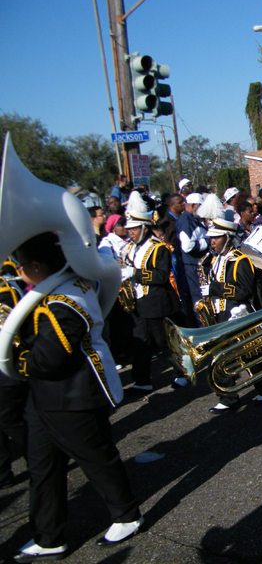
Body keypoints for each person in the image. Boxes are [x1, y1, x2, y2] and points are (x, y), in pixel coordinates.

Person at [9, 232, 143, 562]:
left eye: (22, 266)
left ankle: (126, 515)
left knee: (96, 458)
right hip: (47, 395)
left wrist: (14, 353)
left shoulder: (64, 299)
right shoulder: (62, 284)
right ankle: (48, 535)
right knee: (42, 467)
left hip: (75, 393)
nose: (19, 272)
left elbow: (48, 359)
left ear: (38, 265)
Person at [202, 218, 262, 412]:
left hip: (238, 315)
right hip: (220, 314)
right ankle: (228, 398)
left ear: (227, 238)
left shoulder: (241, 260)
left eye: (216, 238)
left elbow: (245, 291)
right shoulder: (214, 260)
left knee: (250, 357)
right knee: (220, 356)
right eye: (211, 238)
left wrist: (214, 289)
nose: (212, 242)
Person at [120, 192, 181, 394]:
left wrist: (135, 275)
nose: (131, 233)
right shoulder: (128, 248)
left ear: (145, 227)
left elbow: (162, 276)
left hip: (158, 304)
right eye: (129, 229)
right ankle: (142, 379)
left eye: (135, 229)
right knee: (141, 345)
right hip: (139, 304)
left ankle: (181, 372)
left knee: (165, 343)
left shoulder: (159, 248)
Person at [0, 259, 27, 492]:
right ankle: (3, 473)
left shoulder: (6, 287)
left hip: (6, 365)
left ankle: (39, 453)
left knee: (11, 419)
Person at [176, 193, 208, 325]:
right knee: (198, 299)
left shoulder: (192, 219)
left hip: (197, 266)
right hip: (193, 267)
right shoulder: (185, 221)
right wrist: (206, 243)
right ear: (194, 205)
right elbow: (187, 246)